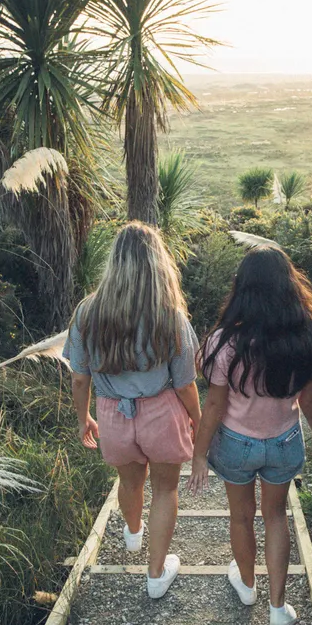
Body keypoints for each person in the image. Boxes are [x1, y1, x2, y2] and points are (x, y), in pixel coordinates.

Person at [187, 245, 312, 625]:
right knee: (276, 517)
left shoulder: (224, 342)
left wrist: (199, 455)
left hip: (235, 443)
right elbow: (309, 398)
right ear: (290, 286)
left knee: (241, 517)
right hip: (283, 441)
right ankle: (277, 609)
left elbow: (214, 407)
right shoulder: (307, 336)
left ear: (242, 289)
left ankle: (247, 585)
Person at [65, 222, 201, 599]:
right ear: (159, 265)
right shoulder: (169, 316)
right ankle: (156, 575)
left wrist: (83, 419)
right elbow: (185, 383)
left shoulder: (87, 313)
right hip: (161, 414)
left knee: (129, 482)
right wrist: (198, 420)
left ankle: (133, 532)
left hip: (112, 416)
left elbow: (79, 377)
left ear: (114, 263)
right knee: (165, 488)